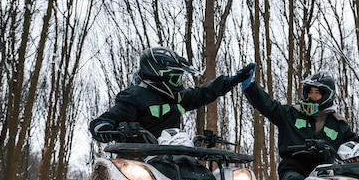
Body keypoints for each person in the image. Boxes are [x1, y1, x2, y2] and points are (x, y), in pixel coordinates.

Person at [89, 47, 253, 142]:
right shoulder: (134, 97)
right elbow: (107, 118)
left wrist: (232, 80)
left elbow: (204, 92)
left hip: (170, 158)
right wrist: (104, 128)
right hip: (136, 161)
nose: (179, 83)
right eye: (176, 78)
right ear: (158, 75)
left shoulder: (178, 98)